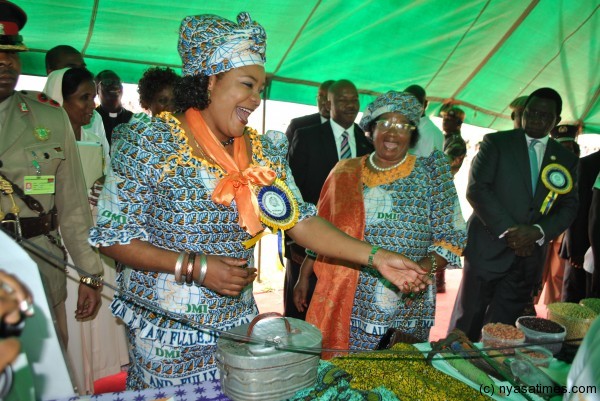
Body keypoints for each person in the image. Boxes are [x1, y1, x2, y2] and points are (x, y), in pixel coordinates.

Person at [89, 12, 430, 389]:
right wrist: (197, 267)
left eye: (260, 88)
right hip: (167, 335)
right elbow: (114, 237)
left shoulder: (263, 153)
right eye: (247, 85)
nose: (256, 99)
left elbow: (301, 221)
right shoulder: (149, 144)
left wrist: (377, 256)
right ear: (209, 81)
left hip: (237, 327)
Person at [293, 90, 466, 353]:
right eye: (385, 123)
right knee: (345, 373)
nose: (393, 133)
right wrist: (304, 276)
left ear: (413, 132)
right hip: (347, 294)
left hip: (406, 298)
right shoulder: (343, 171)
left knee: (394, 376)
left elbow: (451, 238)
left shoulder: (432, 172)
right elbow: (321, 227)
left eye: (402, 125)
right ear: (370, 130)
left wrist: (415, 272)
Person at [0, 1, 104, 347]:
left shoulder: (48, 117)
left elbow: (73, 204)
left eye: (11, 53)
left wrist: (90, 273)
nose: (5, 61)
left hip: (37, 266)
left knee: (46, 378)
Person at [448, 87, 579, 342]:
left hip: (528, 258)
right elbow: (477, 189)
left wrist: (538, 233)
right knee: (468, 319)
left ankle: (492, 377)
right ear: (523, 113)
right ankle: (452, 369)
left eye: (544, 115)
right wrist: (512, 232)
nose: (536, 119)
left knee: (504, 328)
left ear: (556, 121)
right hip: (488, 247)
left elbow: (569, 206)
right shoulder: (496, 143)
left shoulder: (565, 158)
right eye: (531, 112)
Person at [285, 79, 373, 320]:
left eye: (354, 100)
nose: (350, 105)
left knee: (337, 311)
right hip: (306, 241)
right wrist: (293, 242)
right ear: (328, 104)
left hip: (350, 245)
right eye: (342, 100)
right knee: (300, 307)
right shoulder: (306, 137)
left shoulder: (368, 142)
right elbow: (290, 191)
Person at [534, 124, 579, 304]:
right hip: (538, 227)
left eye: (569, 148)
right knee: (534, 272)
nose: (565, 151)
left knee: (557, 275)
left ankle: (554, 315)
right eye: (561, 146)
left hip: (562, 231)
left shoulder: (577, 168)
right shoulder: (540, 163)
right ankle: (525, 308)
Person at [45, 45, 108, 158]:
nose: (93, 105)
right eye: (71, 68)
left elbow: (106, 168)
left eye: (82, 68)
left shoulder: (95, 123)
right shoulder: (34, 126)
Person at [561, 147, 600, 302]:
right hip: (582, 245)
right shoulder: (587, 163)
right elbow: (577, 208)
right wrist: (574, 249)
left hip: (593, 248)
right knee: (574, 296)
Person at [284, 79, 334, 144]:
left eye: (328, 97)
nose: (323, 101)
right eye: (320, 96)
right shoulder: (298, 126)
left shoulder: (347, 127)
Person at [95, 69, 133, 146]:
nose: (114, 85)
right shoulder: (91, 118)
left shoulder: (133, 119)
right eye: (107, 82)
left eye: (117, 82)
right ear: (97, 89)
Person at [403, 84, 444, 157]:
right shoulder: (407, 127)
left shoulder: (431, 132)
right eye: (405, 103)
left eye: (414, 103)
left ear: (425, 104)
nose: (408, 107)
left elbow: (432, 166)